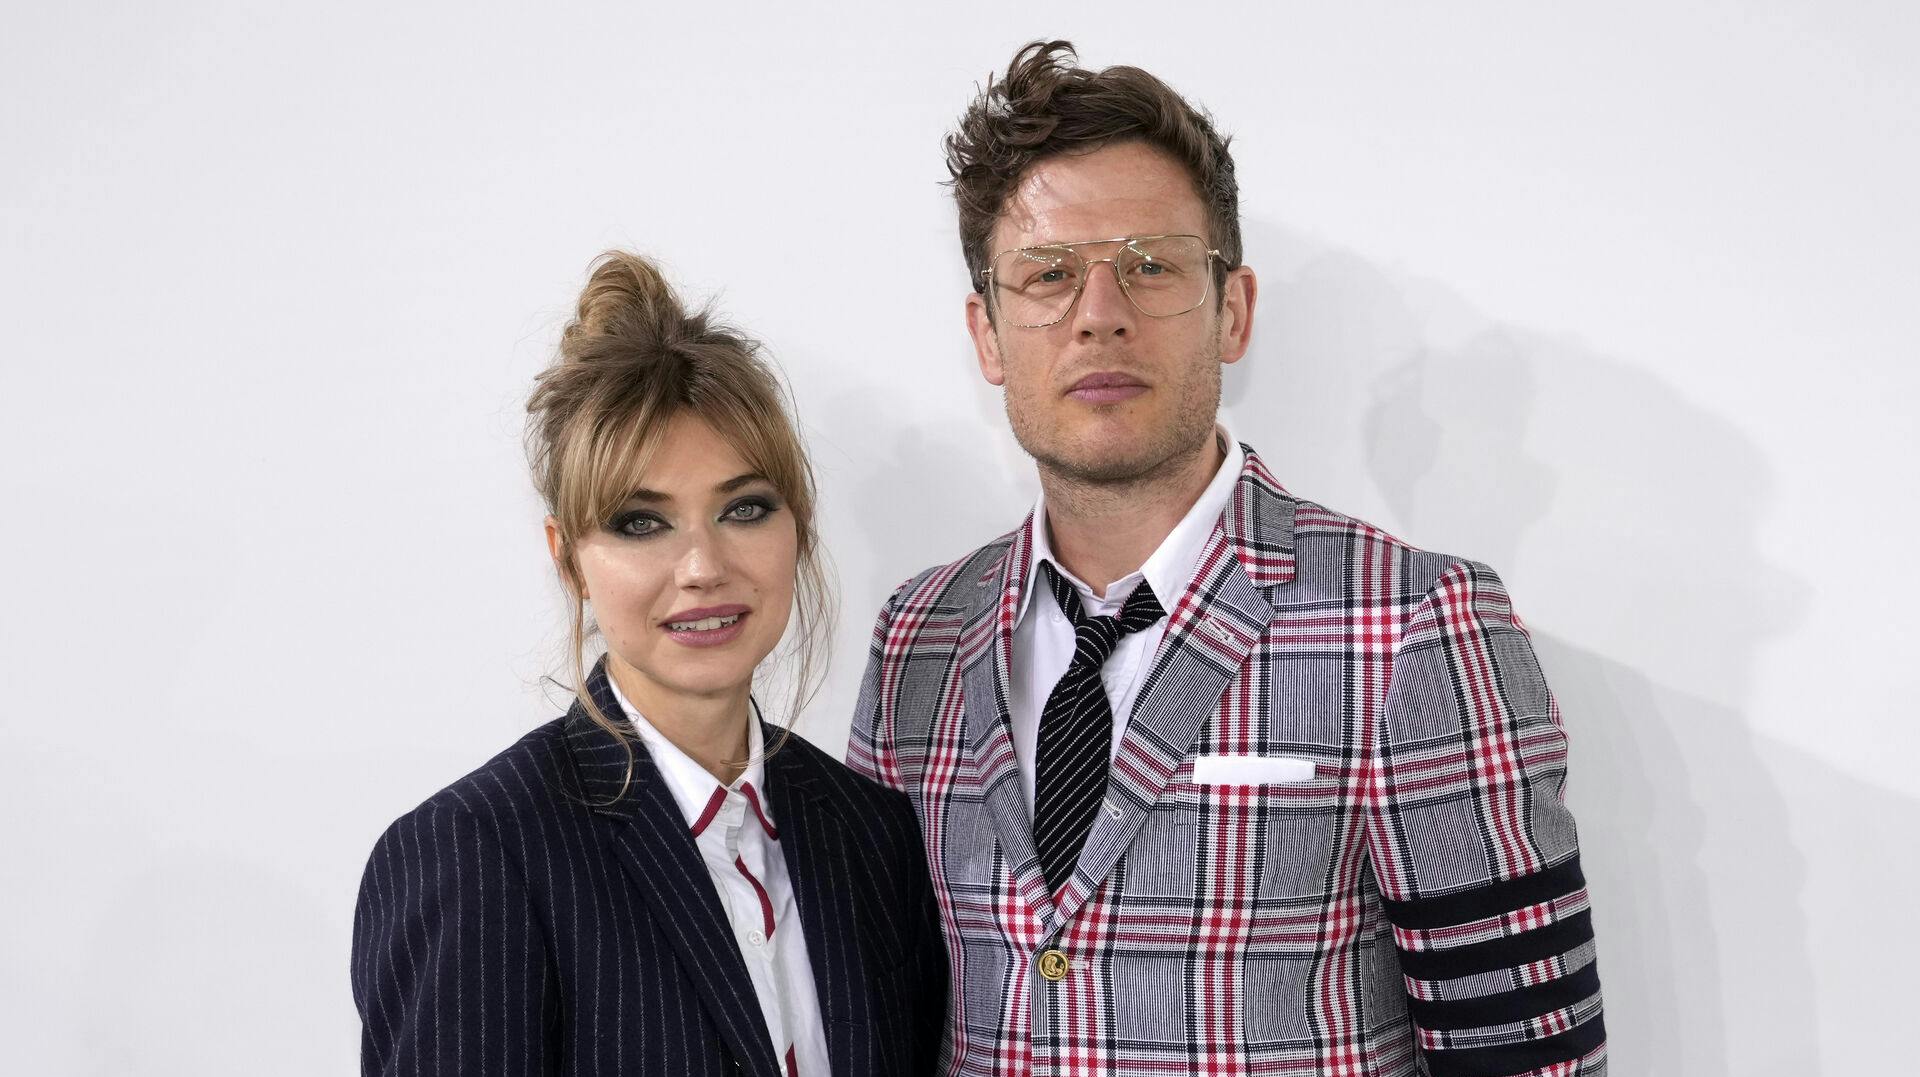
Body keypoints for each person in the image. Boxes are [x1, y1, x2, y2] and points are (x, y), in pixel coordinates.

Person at [848, 41, 1607, 1077]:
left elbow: (1528, 1057)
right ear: (989, 334)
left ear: (1233, 309)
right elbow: (876, 1016)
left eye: (1152, 266)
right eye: (1048, 275)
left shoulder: (1415, 625)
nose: (1100, 312)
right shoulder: (916, 640)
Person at [352, 251, 947, 1076]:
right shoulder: (474, 853)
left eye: (744, 508)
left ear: (798, 527)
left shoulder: (871, 834)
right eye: (641, 522)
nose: (703, 565)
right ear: (569, 559)